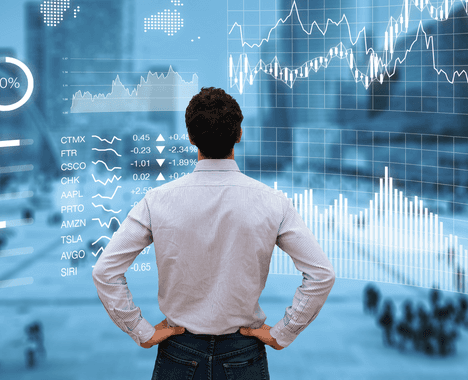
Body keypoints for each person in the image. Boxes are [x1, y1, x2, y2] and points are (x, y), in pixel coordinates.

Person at [92, 87, 335, 379]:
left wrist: (140, 330)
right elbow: (321, 274)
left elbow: (105, 272)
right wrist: (284, 332)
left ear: (191, 137)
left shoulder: (157, 201)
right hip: (243, 354)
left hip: (178, 352)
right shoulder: (273, 202)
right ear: (239, 134)